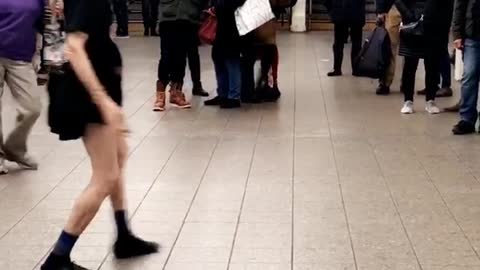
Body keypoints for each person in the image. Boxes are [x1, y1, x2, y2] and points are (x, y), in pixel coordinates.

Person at [41, 0, 158, 269]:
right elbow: (73, 46)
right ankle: (57, 259)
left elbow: (58, 33)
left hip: (95, 85)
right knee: (105, 177)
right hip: (88, 95)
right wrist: (102, 100)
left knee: (118, 155)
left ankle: (124, 236)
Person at [0, 0, 43, 174]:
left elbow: (43, 23)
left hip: (22, 57)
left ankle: (14, 148)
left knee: (32, 108)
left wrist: (38, 53)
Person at [397, 0, 454, 114]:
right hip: (412, 26)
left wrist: (444, 27)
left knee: (432, 65)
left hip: (434, 26)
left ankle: (430, 100)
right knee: (410, 65)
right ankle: (408, 100)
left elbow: (448, 5)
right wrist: (409, 15)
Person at [153, 0, 207, 111]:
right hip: (168, 17)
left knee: (180, 57)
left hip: (188, 18)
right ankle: (160, 94)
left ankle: (176, 92)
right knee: (166, 57)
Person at [204, 0, 246, 108]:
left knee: (232, 63)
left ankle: (233, 97)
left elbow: (233, 5)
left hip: (233, 31)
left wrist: (216, 7)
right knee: (219, 61)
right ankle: (223, 94)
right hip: (221, 30)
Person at [451, 0, 480, 134]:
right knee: (469, 74)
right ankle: (467, 119)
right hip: (472, 35)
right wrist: (457, 34)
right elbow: (459, 7)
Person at [324, 0, 366, 77]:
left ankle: (337, 69)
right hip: (355, 12)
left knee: (338, 43)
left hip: (341, 11)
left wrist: (331, 9)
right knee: (356, 43)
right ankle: (356, 69)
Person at [375, 0, 402, 95]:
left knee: (390, 48)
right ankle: (407, 82)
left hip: (393, 9)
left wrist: (380, 11)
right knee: (408, 50)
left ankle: (385, 83)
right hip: (410, 9)